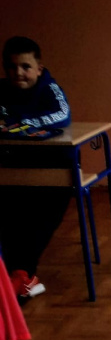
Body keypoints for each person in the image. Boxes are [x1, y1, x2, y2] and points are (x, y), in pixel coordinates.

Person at [0, 36, 72, 301]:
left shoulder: (50, 88)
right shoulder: (2, 89)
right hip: (14, 165)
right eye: (11, 66)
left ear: (39, 68)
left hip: (54, 167)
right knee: (9, 213)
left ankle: (23, 274)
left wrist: (21, 123)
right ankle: (13, 274)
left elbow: (63, 115)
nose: (18, 72)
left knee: (39, 216)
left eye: (25, 66)